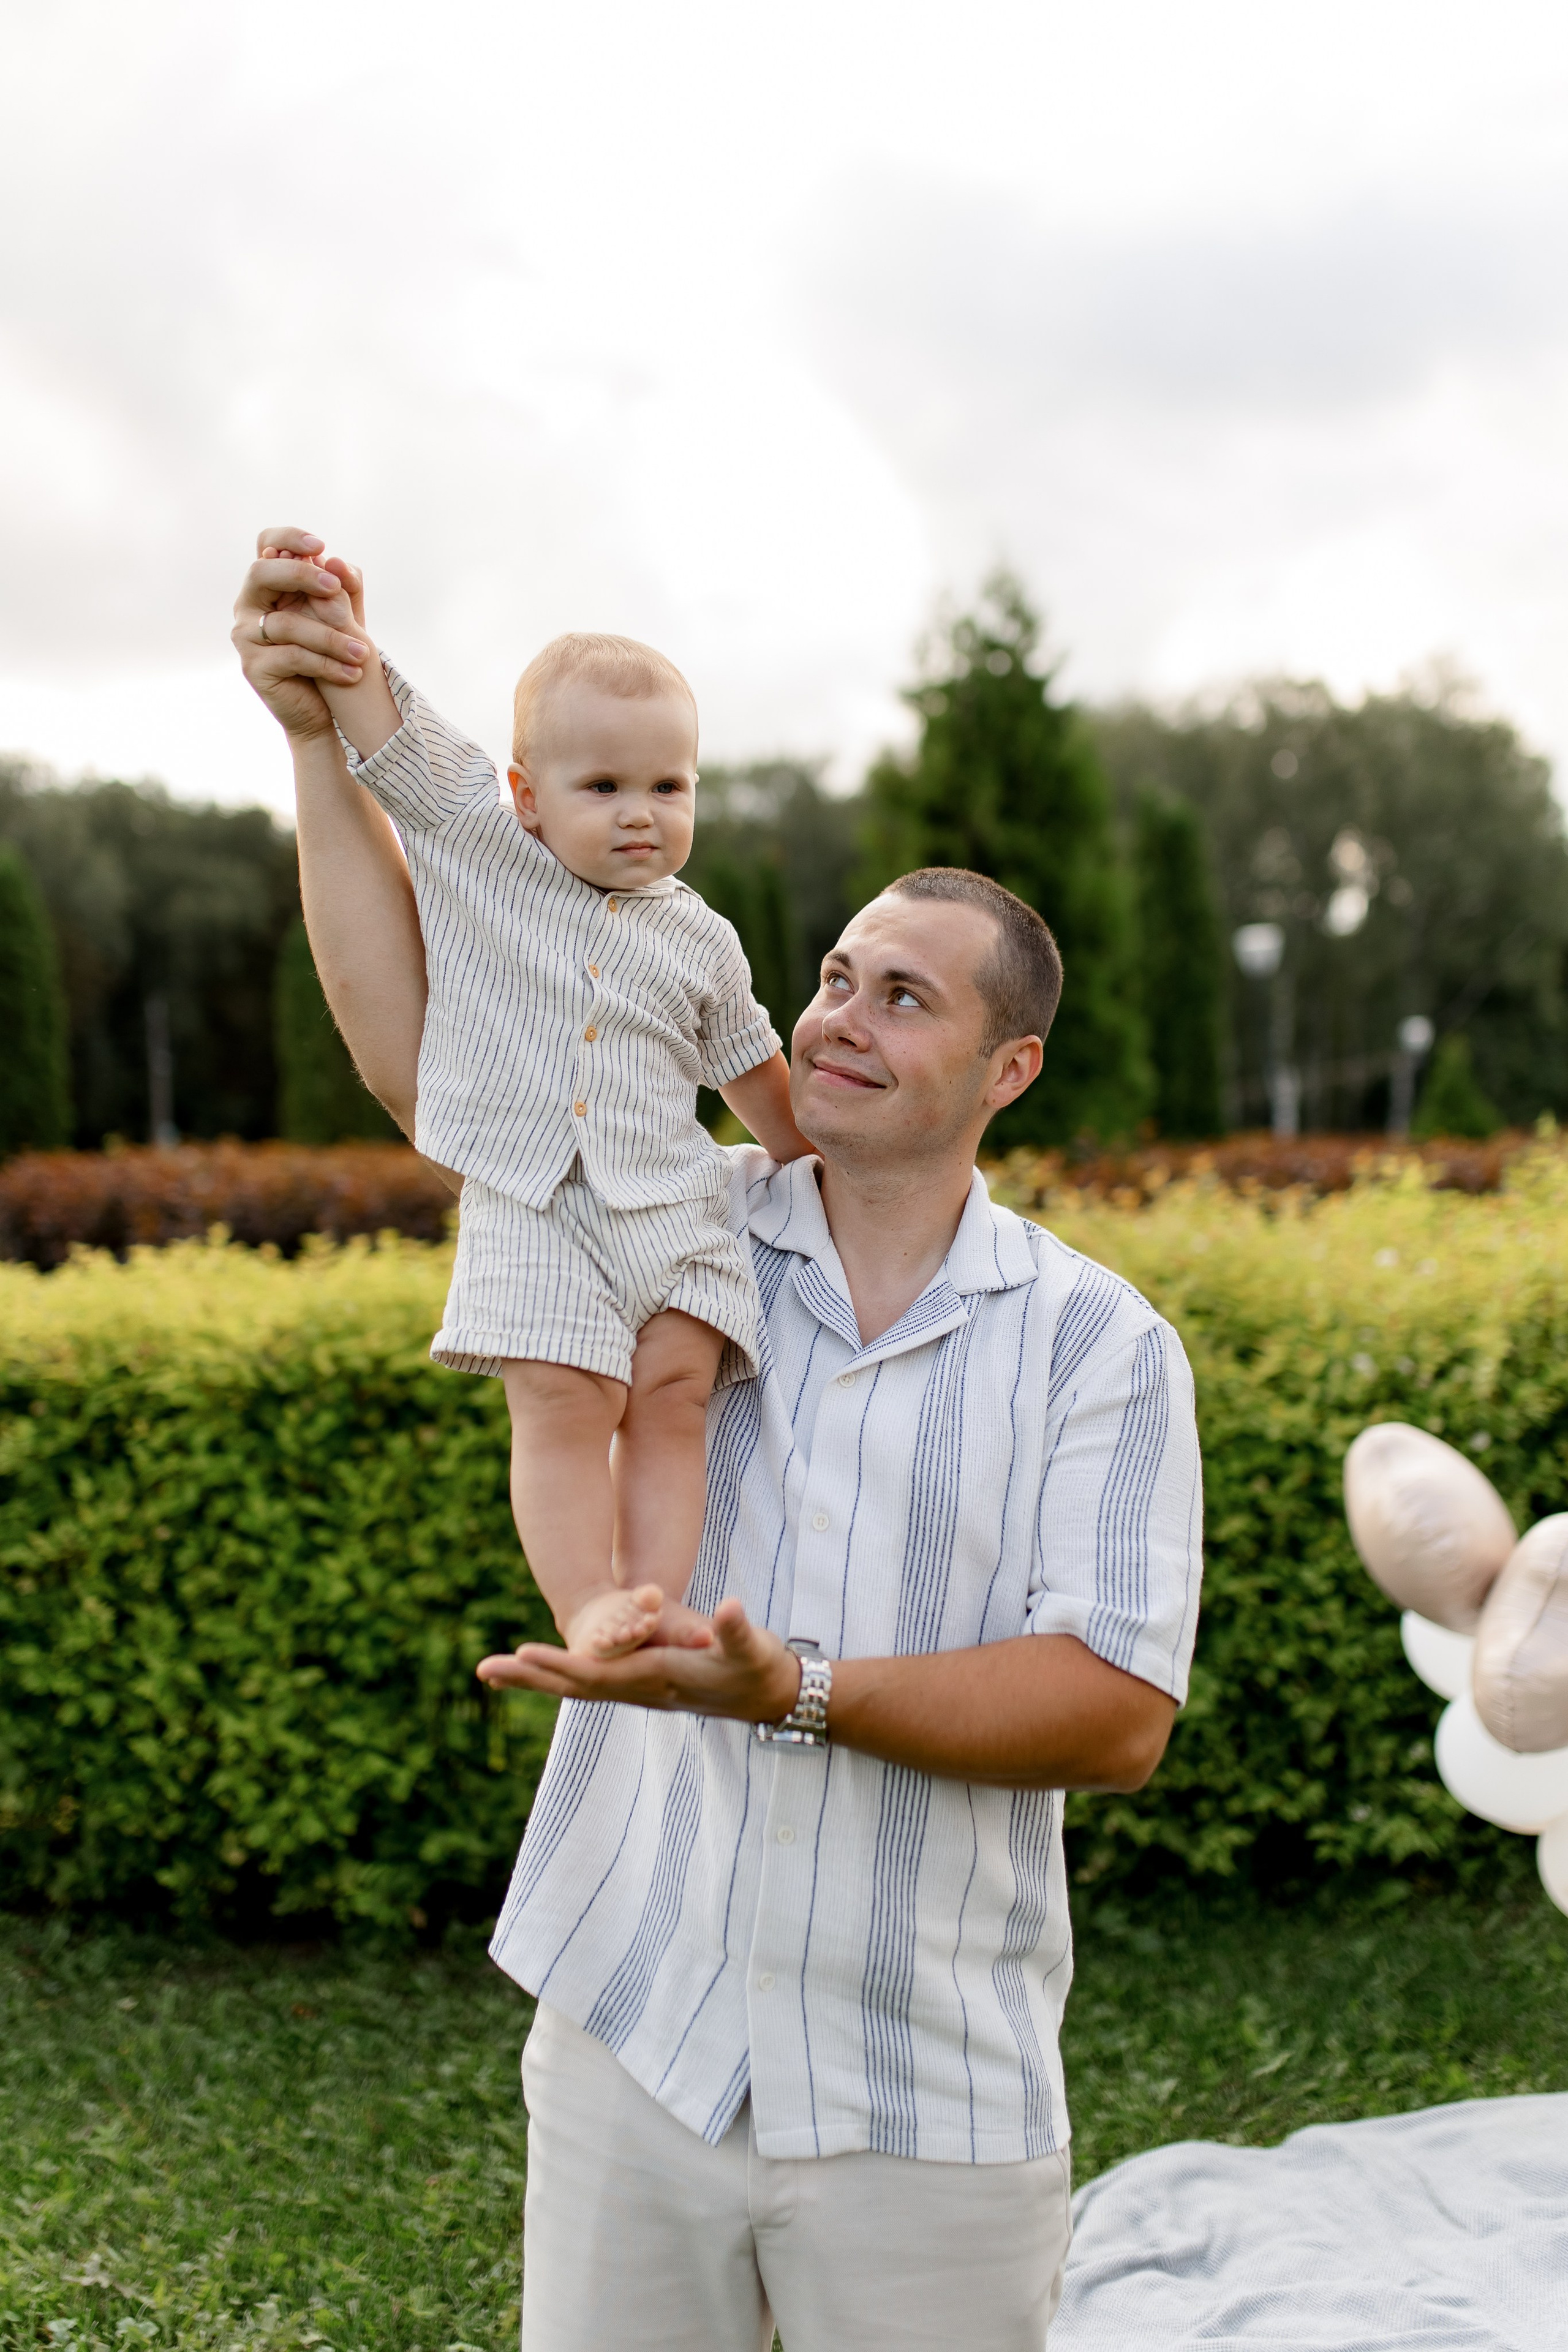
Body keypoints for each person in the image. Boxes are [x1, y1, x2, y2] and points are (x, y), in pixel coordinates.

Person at [234, 529, 1204, 2352]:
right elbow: (417, 1053)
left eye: (906, 997)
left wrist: (794, 1692)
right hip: (634, 2029)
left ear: (1008, 1071)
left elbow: (1115, 1715)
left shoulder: (1100, 1344)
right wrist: (311, 738)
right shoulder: (672, 1217)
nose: (840, 1017)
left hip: (925, 2095)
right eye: (837, 974)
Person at [264, 538, 812, 1658]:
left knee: (674, 1401)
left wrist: (825, 1165)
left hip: (675, 1212)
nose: (639, 813)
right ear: (525, 795)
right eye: (602, 787)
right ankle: (585, 1603)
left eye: (668, 787)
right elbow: (392, 732)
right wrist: (332, 627)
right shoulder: (480, 836)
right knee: (562, 1401)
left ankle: (654, 1599)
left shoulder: (703, 937)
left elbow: (752, 1067)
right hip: (534, 1204)